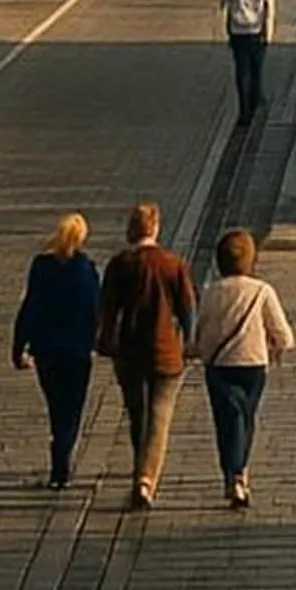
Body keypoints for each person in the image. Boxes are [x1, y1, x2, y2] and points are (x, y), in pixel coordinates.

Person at [95, 201, 196, 507]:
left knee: (137, 414)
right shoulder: (173, 263)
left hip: (128, 351)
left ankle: (140, 467)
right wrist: (188, 342)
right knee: (160, 417)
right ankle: (146, 479)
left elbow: (107, 310)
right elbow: (188, 310)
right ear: (155, 228)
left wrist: (105, 340)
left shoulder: (120, 264)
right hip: (166, 352)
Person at [190, 229, 294, 509]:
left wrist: (202, 353)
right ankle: (240, 473)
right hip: (254, 365)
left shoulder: (211, 291)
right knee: (246, 417)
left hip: (220, 366)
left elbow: (202, 331)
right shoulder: (262, 291)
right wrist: (274, 348)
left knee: (226, 420)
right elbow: (284, 335)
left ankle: (232, 473)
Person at [12, 213, 99, 490]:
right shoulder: (86, 269)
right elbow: (96, 310)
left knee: (56, 407)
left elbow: (30, 308)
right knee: (72, 410)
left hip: (46, 351)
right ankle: (61, 465)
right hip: (77, 351)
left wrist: (19, 347)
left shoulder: (41, 267)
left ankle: (59, 463)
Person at [220, 0, 277, 128]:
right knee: (256, 70)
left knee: (242, 72)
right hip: (256, 31)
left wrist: (228, 30)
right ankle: (256, 103)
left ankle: (244, 111)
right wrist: (267, 34)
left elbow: (225, 4)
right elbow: (269, 9)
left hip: (238, 33)